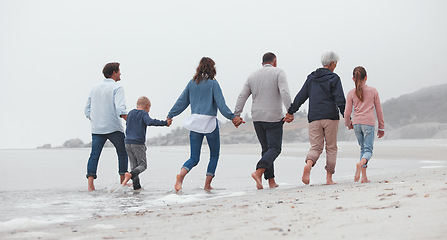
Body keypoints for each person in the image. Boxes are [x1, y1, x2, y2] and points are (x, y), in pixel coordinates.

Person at [168, 57, 243, 192]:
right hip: (209, 124)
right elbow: (221, 105)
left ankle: (180, 177)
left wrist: (170, 115)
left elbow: (181, 102)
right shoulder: (213, 84)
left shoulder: (192, 83)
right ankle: (207, 185)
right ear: (212, 68)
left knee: (194, 157)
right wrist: (233, 117)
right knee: (214, 155)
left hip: (195, 123)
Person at [285, 51, 346, 185]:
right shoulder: (334, 78)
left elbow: (301, 96)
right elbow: (340, 99)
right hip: (330, 116)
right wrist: (346, 116)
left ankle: (309, 164)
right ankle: (329, 179)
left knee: (316, 147)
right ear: (332, 63)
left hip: (314, 117)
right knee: (331, 147)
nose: (335, 66)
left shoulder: (311, 78)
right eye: (335, 63)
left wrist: (291, 111)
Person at [234, 52, 292, 190]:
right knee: (275, 148)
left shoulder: (252, 75)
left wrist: (237, 114)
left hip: (257, 118)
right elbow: (284, 92)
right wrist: (290, 111)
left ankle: (271, 181)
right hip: (273, 117)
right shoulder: (279, 72)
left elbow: (242, 95)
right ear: (275, 61)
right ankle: (258, 171)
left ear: (262, 63)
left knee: (266, 149)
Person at [84, 62, 128, 191]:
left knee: (94, 155)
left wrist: (96, 120)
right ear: (114, 72)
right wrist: (129, 119)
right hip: (114, 127)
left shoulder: (94, 88)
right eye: (119, 71)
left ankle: (90, 186)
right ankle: (122, 183)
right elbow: (120, 108)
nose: (120, 73)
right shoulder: (117, 87)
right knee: (122, 153)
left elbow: (87, 110)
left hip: (97, 128)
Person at [344, 66, 385, 183]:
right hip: (368, 123)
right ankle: (361, 164)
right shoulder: (373, 91)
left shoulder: (351, 94)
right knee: (368, 151)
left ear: (353, 79)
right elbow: (379, 110)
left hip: (356, 124)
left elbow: (347, 113)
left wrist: (348, 124)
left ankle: (364, 177)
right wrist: (381, 127)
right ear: (366, 77)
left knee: (362, 149)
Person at [122, 96, 172, 190]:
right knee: (143, 165)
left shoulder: (131, 113)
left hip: (127, 143)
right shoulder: (143, 113)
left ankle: (137, 188)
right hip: (138, 143)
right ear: (147, 106)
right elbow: (149, 122)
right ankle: (130, 175)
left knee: (134, 166)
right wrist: (164, 123)